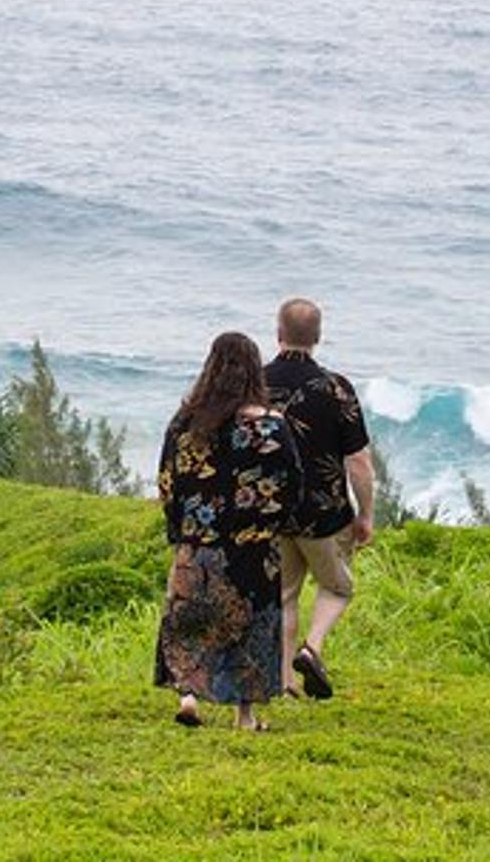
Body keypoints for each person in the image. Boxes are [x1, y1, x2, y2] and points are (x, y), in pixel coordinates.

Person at [154, 330, 301, 731]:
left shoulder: (185, 422)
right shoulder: (272, 426)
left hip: (198, 540)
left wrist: (179, 527)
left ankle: (188, 696)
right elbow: (292, 482)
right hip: (251, 547)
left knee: (188, 621)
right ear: (255, 372)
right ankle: (245, 717)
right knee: (251, 628)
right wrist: (273, 525)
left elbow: (167, 481)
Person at [269, 297, 374, 701]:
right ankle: (312, 648)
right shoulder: (336, 388)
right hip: (324, 513)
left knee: (284, 595)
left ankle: (284, 682)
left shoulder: (256, 384)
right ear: (318, 337)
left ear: (279, 333)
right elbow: (358, 460)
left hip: (272, 509)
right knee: (338, 587)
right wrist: (366, 515)